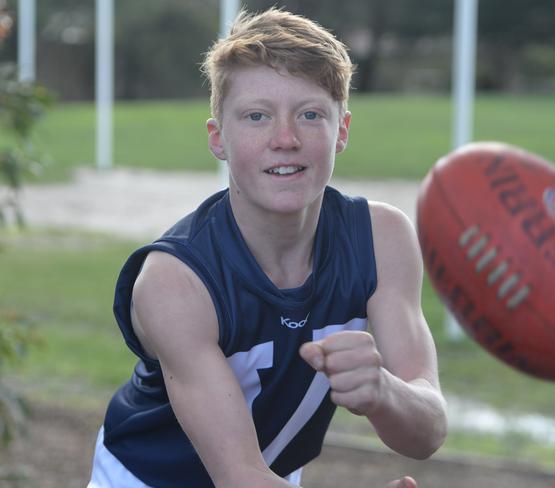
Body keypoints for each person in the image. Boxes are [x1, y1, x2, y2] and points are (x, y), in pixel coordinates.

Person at [88, 7, 447, 488]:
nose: (285, 139)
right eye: (257, 116)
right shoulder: (175, 280)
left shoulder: (381, 238)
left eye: (310, 115)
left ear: (341, 131)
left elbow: (427, 434)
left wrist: (383, 390)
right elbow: (237, 476)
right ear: (218, 139)